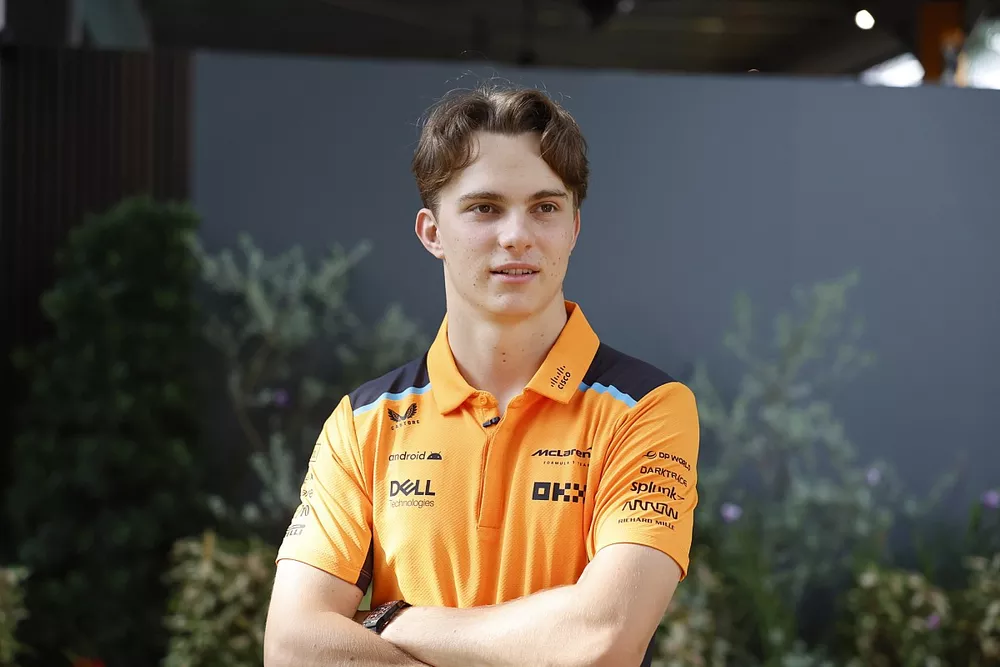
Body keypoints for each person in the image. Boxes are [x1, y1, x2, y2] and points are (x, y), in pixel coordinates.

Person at [262, 82, 701, 667]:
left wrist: (390, 620)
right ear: (432, 233)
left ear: (573, 228)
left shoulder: (647, 408)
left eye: (545, 207)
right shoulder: (363, 423)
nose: (517, 235)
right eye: (485, 208)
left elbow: (602, 638)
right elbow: (292, 646)